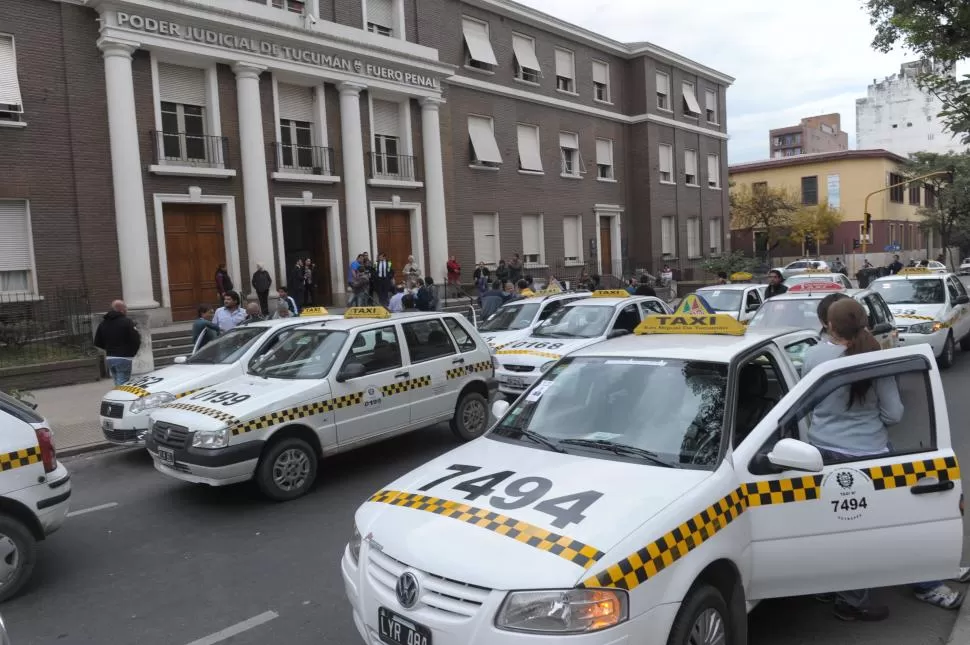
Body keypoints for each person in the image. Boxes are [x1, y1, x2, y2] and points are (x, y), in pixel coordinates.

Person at [805, 298, 966, 621]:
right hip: (873, 457)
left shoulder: (813, 356)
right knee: (901, 522)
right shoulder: (877, 357)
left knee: (841, 530)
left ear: (830, 325)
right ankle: (929, 583)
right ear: (864, 322)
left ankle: (848, 596)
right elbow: (894, 413)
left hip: (826, 456)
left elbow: (806, 405)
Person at [94, 300, 142, 386]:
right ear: (122, 309)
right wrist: (132, 352)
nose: (127, 310)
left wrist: (109, 348)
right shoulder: (127, 322)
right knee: (122, 383)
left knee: (117, 380)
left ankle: (116, 396)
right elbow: (136, 339)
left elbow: (97, 341)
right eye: (126, 308)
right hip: (124, 357)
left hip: (110, 357)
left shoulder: (103, 323)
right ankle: (118, 398)